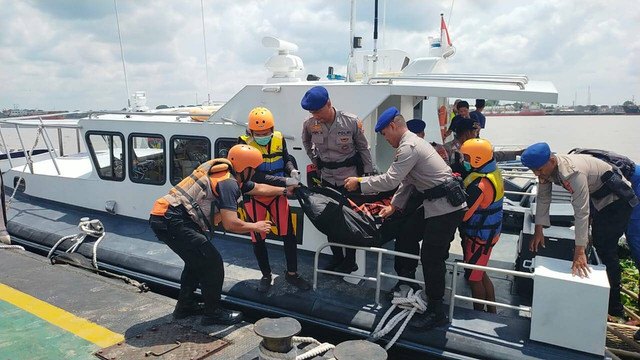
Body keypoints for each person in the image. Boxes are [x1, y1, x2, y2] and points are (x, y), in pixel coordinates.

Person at [344, 106, 467, 329]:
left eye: (384, 134)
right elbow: (408, 180)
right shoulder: (410, 144)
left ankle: (435, 309)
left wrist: (359, 183)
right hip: (432, 202)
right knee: (407, 236)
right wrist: (394, 206)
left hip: (446, 208)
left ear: (393, 126)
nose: (385, 138)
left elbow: (390, 181)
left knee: (432, 256)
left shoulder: (408, 147)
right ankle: (406, 284)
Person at [149, 145, 297, 325]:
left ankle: (184, 308)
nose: (255, 172)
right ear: (246, 168)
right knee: (213, 263)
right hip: (173, 220)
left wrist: (284, 190)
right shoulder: (228, 184)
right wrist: (256, 226)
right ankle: (213, 313)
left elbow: (258, 188)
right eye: (254, 169)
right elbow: (231, 223)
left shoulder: (227, 176)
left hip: (166, 216)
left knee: (195, 263)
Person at [522, 142, 638, 317]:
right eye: (533, 171)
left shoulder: (572, 173)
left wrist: (579, 251)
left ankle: (614, 306)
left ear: (551, 161)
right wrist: (539, 230)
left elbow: (581, 212)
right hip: (598, 197)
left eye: (538, 170)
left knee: (606, 248)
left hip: (618, 200)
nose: (537, 174)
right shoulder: (545, 168)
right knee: (599, 241)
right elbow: (544, 196)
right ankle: (604, 294)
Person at [301, 85, 374, 274]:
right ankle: (337, 258)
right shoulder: (310, 124)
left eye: (317, 110)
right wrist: (315, 161)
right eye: (312, 112)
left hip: (348, 180)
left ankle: (350, 262)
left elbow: (363, 148)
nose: (315, 115)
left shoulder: (350, 122)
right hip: (326, 178)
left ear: (328, 103)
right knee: (330, 222)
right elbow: (306, 142)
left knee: (348, 223)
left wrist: (366, 175)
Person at [238, 107, 310, 293]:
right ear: (250, 131)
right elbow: (257, 176)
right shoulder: (243, 144)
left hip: (277, 195)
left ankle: (292, 274)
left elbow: (285, 159)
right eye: (258, 133)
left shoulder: (278, 138)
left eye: (266, 132)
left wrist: (292, 169)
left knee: (288, 234)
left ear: (272, 129)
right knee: (258, 236)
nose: (263, 135)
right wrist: (286, 181)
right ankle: (265, 275)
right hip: (255, 196)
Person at [459, 138, 504, 313]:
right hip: (489, 234)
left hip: (479, 239)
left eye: (467, 158)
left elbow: (465, 215)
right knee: (481, 273)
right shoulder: (492, 173)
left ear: (477, 159)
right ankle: (492, 312)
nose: (465, 161)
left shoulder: (481, 185)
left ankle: (478, 315)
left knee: (474, 278)